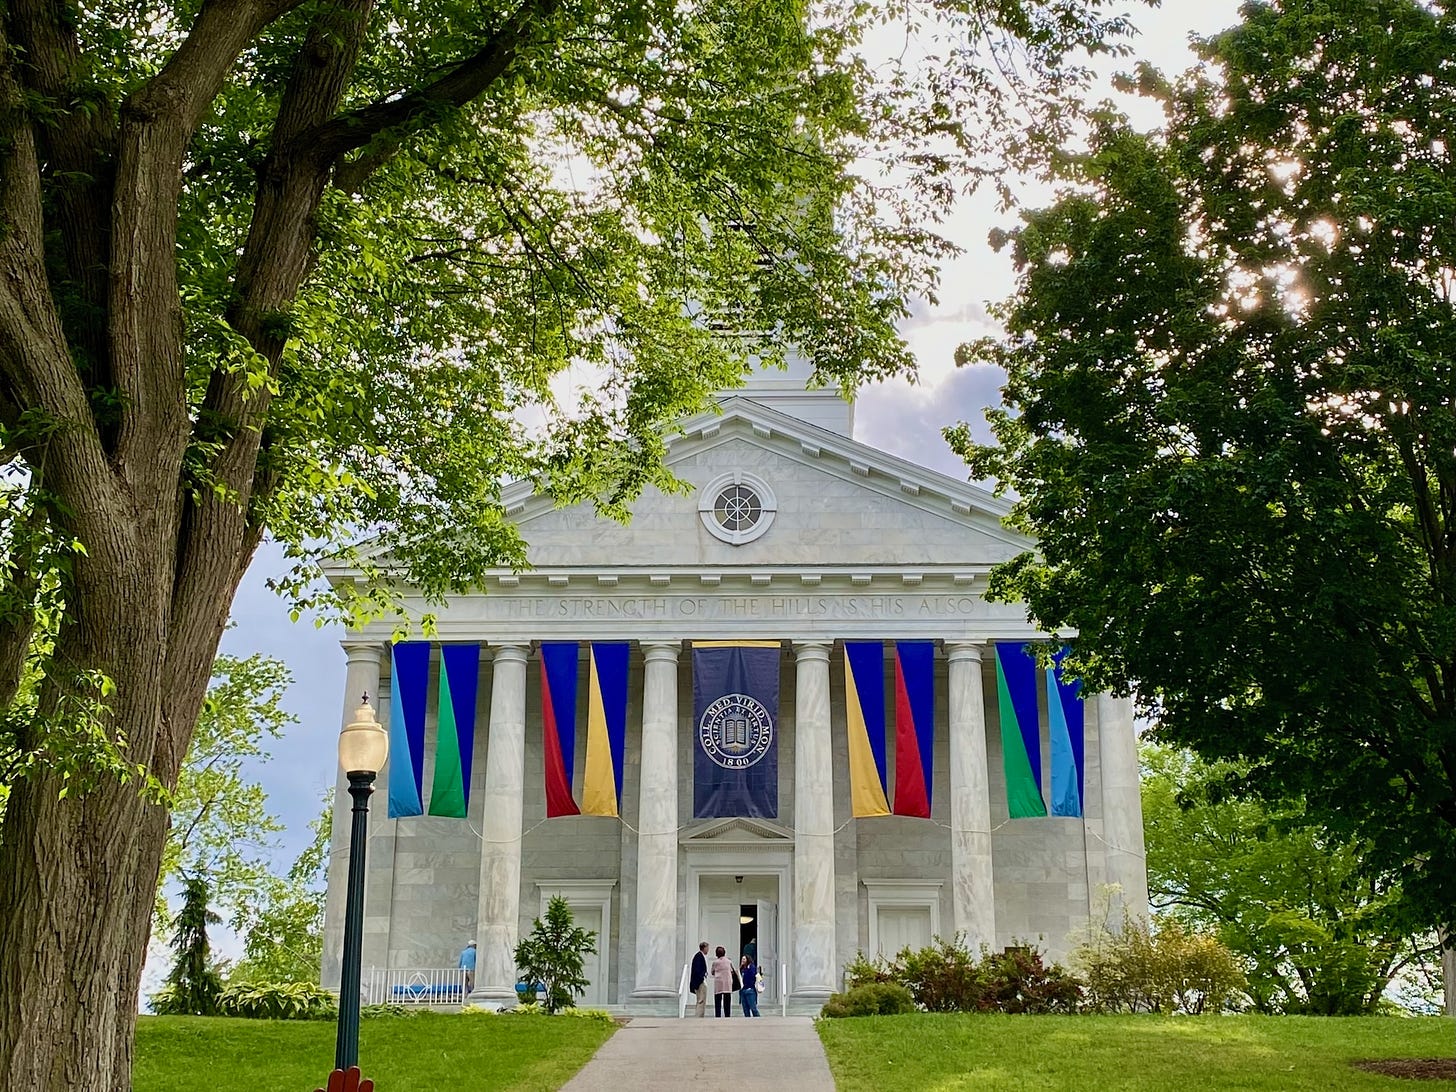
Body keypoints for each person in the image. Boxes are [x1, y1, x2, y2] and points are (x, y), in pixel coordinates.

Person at [711, 945, 735, 1017]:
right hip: (727, 982)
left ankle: (718, 1015)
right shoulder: (729, 961)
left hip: (719, 982)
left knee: (718, 999)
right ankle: (727, 1015)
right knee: (727, 1000)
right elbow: (732, 971)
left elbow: (712, 972)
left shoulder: (715, 962)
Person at [689, 941, 710, 1017]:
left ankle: (700, 1016)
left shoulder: (700, 956)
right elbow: (697, 970)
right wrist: (702, 977)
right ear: (704, 948)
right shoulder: (698, 956)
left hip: (700, 980)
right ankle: (699, 1016)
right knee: (701, 1000)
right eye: (707, 948)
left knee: (701, 1000)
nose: (708, 950)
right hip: (700, 982)